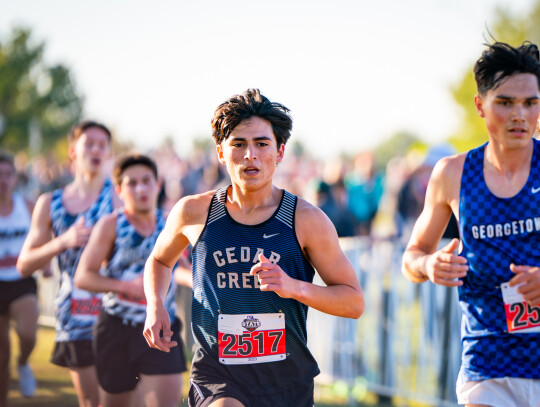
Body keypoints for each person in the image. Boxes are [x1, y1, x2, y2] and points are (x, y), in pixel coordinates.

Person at [143, 88, 365, 407]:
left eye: (262, 144)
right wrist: (155, 304)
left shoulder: (306, 220)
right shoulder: (193, 212)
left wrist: (293, 287)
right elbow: (160, 261)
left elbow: (353, 301)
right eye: (239, 144)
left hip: (286, 381)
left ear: (280, 152)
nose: (251, 156)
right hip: (217, 375)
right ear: (221, 152)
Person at [401, 41, 540, 407]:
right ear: (480, 105)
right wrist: (429, 265)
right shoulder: (452, 174)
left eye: (530, 103)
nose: (519, 115)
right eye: (505, 103)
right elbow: (411, 256)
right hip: (487, 362)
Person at [17, 120, 118, 407]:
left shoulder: (121, 197)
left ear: (109, 153)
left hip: (116, 308)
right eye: (90, 144)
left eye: (103, 145)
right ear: (73, 151)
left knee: (119, 399)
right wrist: (63, 241)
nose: (97, 150)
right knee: (91, 401)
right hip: (74, 311)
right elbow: (24, 265)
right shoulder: (51, 203)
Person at [74, 153, 188, 407]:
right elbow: (83, 276)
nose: (141, 189)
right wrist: (127, 287)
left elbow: (179, 270)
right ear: (119, 190)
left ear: (158, 185)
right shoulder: (111, 225)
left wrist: (200, 281)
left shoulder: (171, 223)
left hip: (162, 325)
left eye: (147, 181)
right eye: (132, 183)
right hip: (118, 328)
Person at [0, 151, 42, 404]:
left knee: (28, 335)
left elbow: (44, 236)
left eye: (7, 175)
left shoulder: (27, 206)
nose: (3, 180)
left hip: (21, 281)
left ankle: (24, 362)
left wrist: (45, 263)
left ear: (15, 179)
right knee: (0, 358)